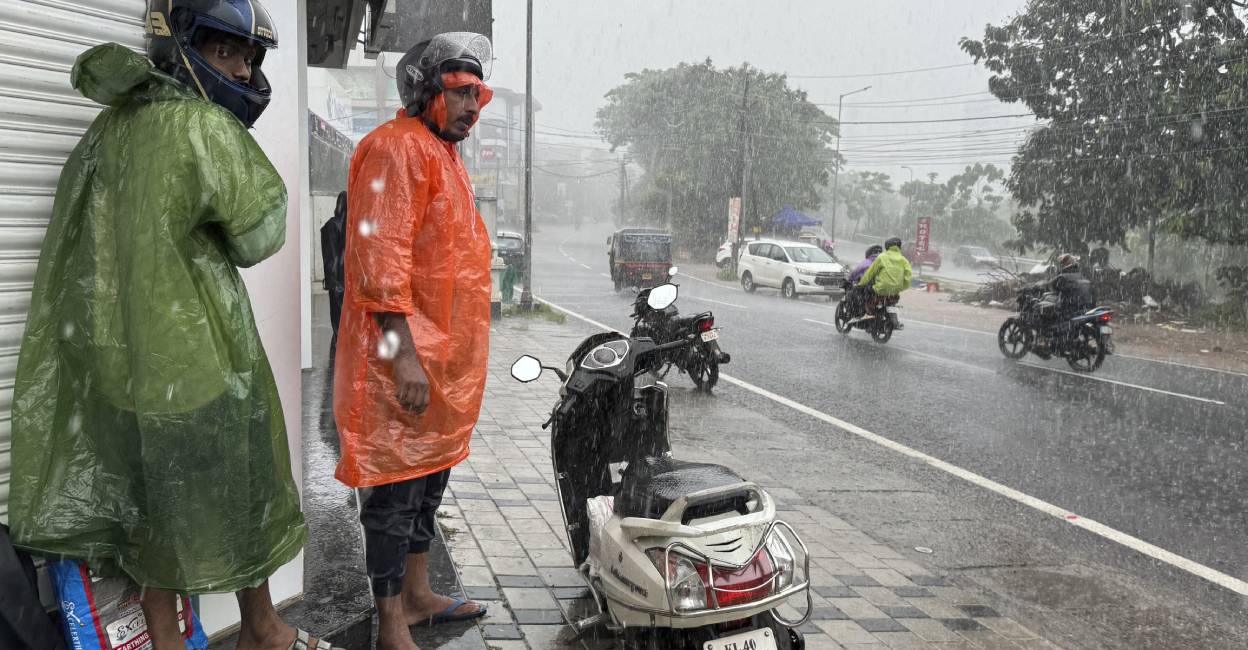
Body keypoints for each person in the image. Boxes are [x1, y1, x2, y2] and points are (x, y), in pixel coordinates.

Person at [8, 2, 334, 649]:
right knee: (244, 498)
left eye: (248, 57)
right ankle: (262, 628)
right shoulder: (200, 127)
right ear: (180, 45)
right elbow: (257, 233)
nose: (242, 69)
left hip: (121, 371)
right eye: (227, 53)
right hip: (196, 365)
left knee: (157, 520)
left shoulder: (108, 129)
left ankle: (171, 642)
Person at [332, 32, 495, 650]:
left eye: (477, 94)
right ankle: (389, 620)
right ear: (424, 90)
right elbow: (380, 258)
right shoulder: (395, 149)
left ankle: (421, 595)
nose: (471, 108)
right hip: (402, 362)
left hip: (445, 362)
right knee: (396, 496)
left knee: (430, 482)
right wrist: (403, 360)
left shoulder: (443, 154)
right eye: (458, 93)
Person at [857, 237, 914, 328]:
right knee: (892, 303)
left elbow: (870, 273)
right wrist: (900, 287)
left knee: (866, 293)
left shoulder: (882, 257)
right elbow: (908, 277)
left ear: (887, 246)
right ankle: (893, 321)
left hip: (881, 289)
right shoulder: (904, 260)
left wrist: (861, 284)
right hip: (894, 292)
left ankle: (868, 313)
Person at [1032, 253, 1095, 329]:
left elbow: (1049, 286)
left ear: (1064, 265)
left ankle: (1045, 328)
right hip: (1087, 308)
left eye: (1061, 263)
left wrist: (1037, 286)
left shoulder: (1062, 278)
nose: (1059, 266)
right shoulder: (1082, 276)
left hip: (1069, 310)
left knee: (1043, 301)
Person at [321, 190, 348, 351]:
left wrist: (331, 280)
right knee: (344, 315)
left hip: (337, 279)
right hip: (345, 279)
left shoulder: (332, 225)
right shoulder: (348, 227)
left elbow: (330, 255)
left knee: (337, 313)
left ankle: (340, 342)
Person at [845, 244, 883, 315]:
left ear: (868, 253)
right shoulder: (884, 262)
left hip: (867, 286)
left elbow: (855, 272)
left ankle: (853, 313)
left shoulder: (866, 262)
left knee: (851, 295)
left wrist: (850, 279)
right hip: (881, 287)